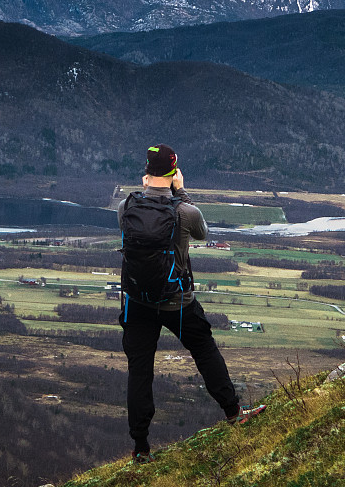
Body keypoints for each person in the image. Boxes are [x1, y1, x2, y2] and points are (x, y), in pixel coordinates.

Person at [117, 144, 263, 465]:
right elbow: (202, 233)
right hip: (177, 301)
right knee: (204, 349)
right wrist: (181, 192)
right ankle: (234, 413)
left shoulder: (126, 206)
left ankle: (141, 448)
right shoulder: (185, 211)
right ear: (173, 171)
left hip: (137, 301)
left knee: (140, 371)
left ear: (147, 171)